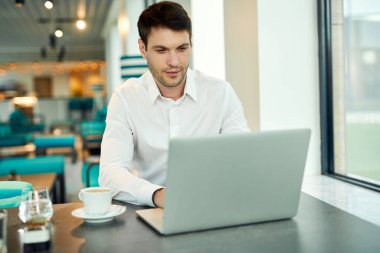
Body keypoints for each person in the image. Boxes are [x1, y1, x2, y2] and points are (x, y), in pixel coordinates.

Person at [99, 1, 249, 208]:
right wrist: (158, 195)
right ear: (143, 49)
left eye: (182, 48)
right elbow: (111, 172)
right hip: (148, 210)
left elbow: (242, 158)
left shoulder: (221, 93)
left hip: (212, 205)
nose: (174, 62)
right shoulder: (125, 98)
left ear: (191, 44)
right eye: (161, 50)